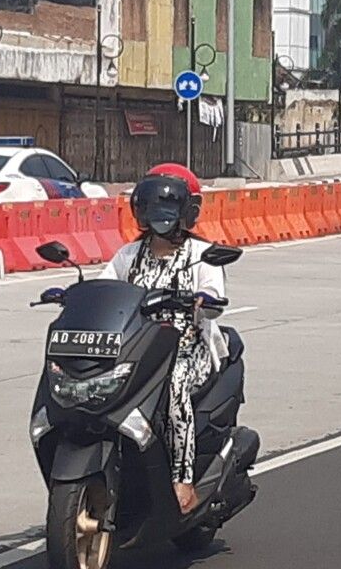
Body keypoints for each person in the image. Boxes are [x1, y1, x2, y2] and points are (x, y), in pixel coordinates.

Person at [98, 163, 229, 515]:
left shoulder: (202, 255)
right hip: (137, 348)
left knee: (173, 386)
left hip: (187, 349)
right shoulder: (129, 255)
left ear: (186, 212)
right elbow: (104, 285)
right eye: (155, 207)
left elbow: (213, 294)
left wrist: (206, 300)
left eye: (169, 208)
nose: (161, 216)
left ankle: (182, 479)